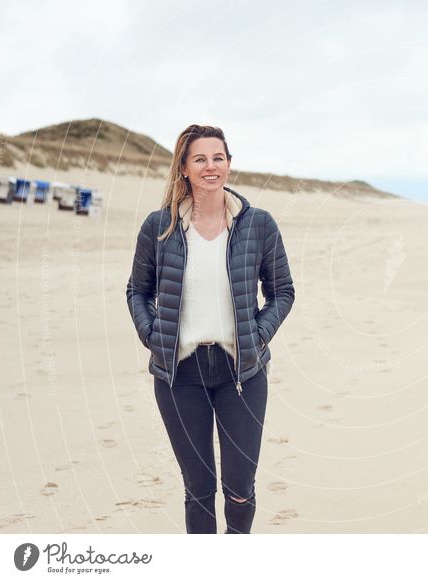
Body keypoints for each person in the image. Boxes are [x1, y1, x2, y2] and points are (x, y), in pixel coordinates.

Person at [126, 124, 295, 534]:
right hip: (179, 376)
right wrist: (152, 335)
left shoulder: (258, 224)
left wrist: (257, 335)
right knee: (198, 489)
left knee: (240, 488)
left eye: (218, 157)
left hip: (242, 373)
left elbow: (282, 291)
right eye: (199, 159)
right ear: (184, 168)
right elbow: (137, 290)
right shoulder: (159, 227)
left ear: (229, 164)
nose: (210, 166)